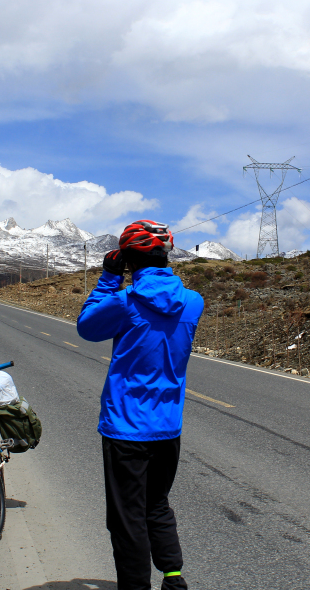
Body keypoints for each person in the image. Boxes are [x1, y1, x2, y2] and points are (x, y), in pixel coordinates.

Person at [76, 220, 204, 590]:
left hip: (126, 429)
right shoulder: (193, 302)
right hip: (168, 427)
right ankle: (174, 579)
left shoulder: (124, 302)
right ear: (167, 255)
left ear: (128, 259)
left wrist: (108, 278)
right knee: (156, 505)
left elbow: (87, 327)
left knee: (126, 518)